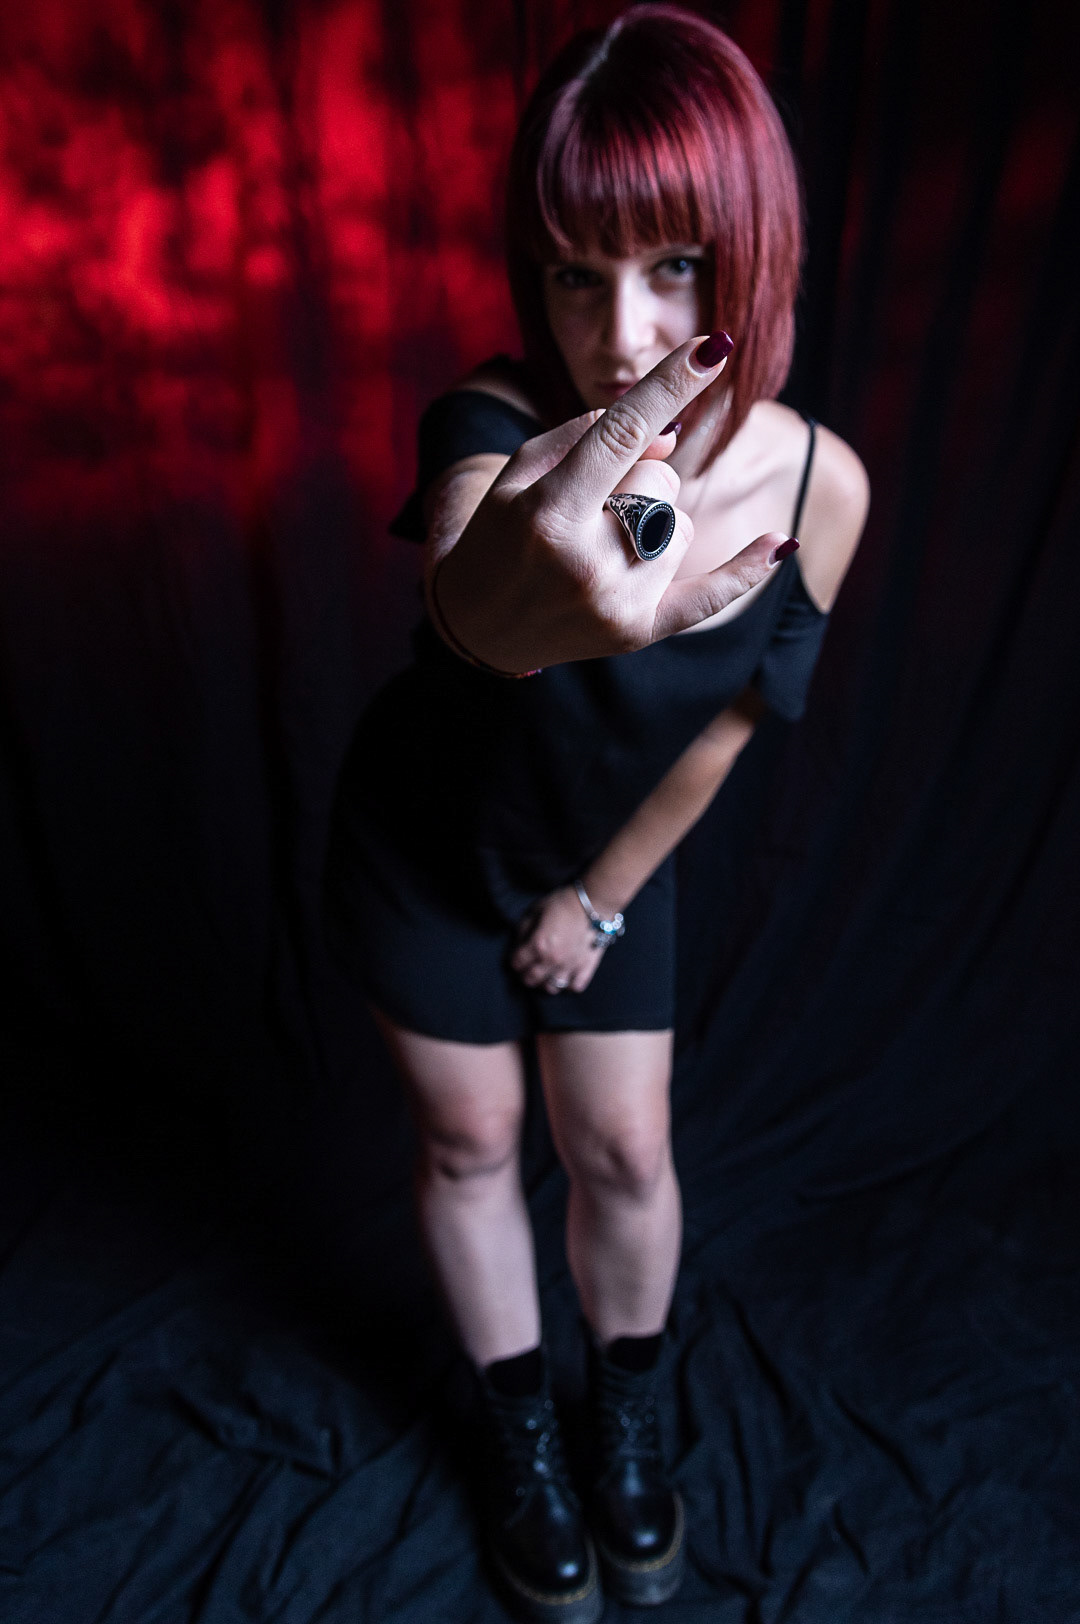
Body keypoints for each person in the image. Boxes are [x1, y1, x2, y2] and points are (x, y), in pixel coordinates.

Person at [327, 7, 869, 1621]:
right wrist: (524, 607)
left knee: (625, 1151)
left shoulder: (821, 487)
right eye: (576, 274)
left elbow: (736, 719)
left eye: (674, 267)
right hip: (425, 851)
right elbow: (471, 589)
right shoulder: (492, 426)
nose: (622, 334)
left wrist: (603, 896)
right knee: (471, 1139)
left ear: (754, 253)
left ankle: (620, 1428)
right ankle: (522, 1448)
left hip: (601, 864)